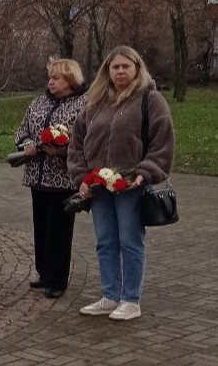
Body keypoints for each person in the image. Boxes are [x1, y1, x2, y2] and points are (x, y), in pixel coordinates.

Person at [68, 46, 174, 321]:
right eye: (115, 67)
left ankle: (130, 300)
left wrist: (145, 172)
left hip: (131, 185)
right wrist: (81, 177)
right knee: (105, 241)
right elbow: (77, 143)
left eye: (126, 66)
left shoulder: (151, 100)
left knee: (130, 241)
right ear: (108, 71)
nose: (120, 71)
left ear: (137, 68)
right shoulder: (95, 102)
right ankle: (110, 296)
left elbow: (162, 143)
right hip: (98, 186)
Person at [14, 58, 86, 300]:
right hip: (37, 175)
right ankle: (44, 273)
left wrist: (62, 150)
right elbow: (23, 129)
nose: (51, 82)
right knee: (41, 227)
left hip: (63, 179)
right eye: (50, 78)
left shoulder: (83, 104)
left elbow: (86, 138)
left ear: (70, 79)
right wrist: (26, 144)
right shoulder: (39, 102)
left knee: (59, 231)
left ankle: (58, 279)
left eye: (56, 78)